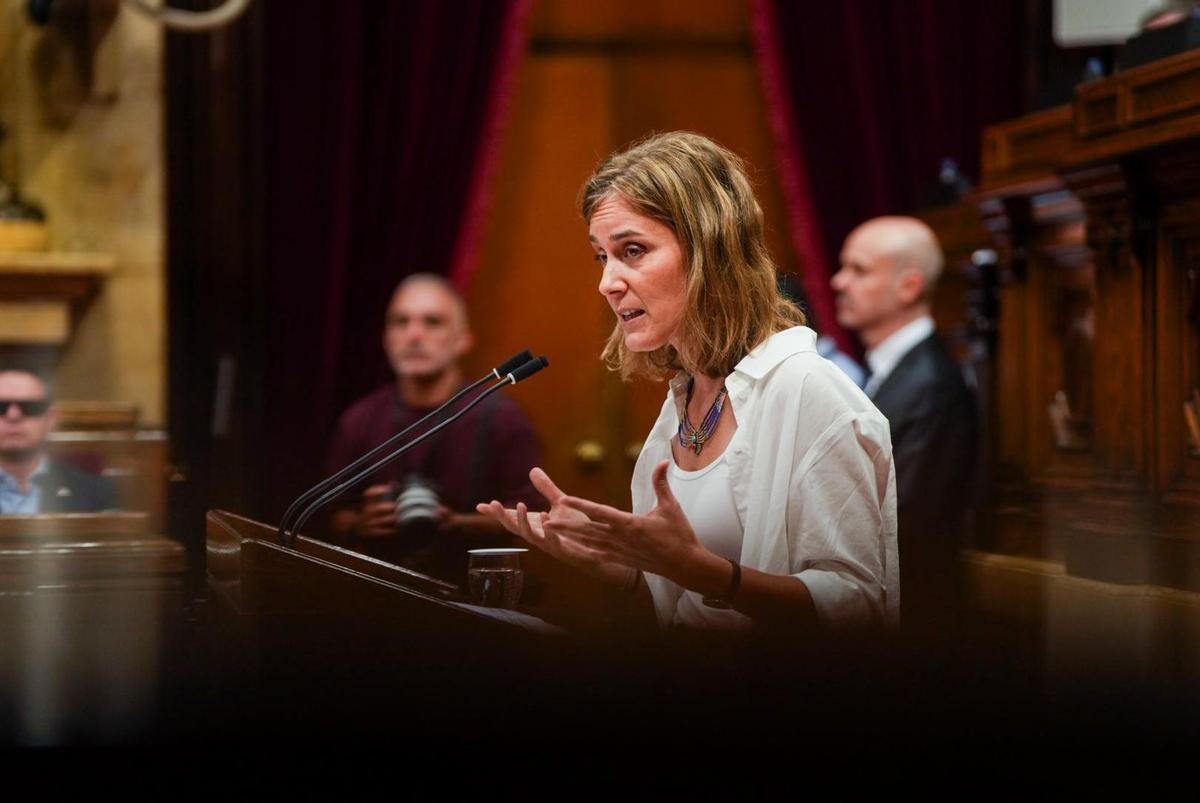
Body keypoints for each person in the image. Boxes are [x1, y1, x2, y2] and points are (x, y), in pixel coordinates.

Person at [478, 132, 898, 633]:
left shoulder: (809, 390)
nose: (607, 281)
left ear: (709, 252)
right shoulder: (685, 397)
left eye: (632, 250)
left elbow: (860, 608)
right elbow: (687, 602)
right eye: (602, 257)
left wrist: (709, 575)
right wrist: (616, 564)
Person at [325, 273, 542, 577]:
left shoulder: (503, 418)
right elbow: (331, 514)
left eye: (433, 322)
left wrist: (455, 523)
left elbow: (533, 518)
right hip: (378, 586)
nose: (414, 335)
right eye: (401, 322)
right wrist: (361, 523)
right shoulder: (359, 419)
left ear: (462, 339)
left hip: (467, 592)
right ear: (387, 338)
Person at [830, 216, 978, 632]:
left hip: (911, 623)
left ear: (909, 286)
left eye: (858, 270)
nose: (839, 282)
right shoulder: (897, 371)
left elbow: (906, 525)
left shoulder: (932, 383)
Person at [0, 364, 117, 514]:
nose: (13, 416)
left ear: (51, 420)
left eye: (30, 407)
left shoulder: (96, 493)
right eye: (1, 407)